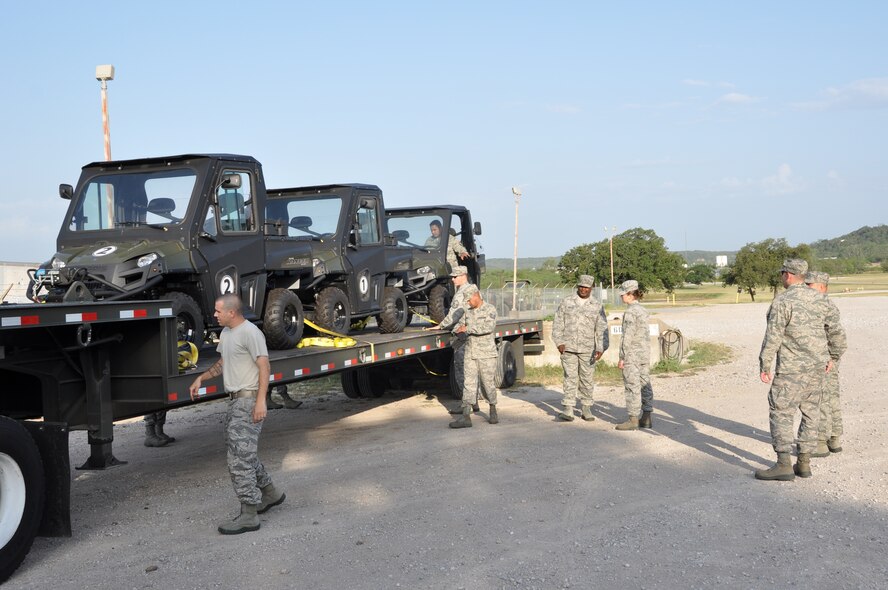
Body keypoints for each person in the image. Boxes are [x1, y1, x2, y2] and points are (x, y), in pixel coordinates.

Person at [189, 294, 285, 534]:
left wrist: (261, 401)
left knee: (239, 459)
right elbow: (224, 362)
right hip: (234, 402)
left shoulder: (250, 333)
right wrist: (202, 377)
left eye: (218, 311)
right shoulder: (226, 334)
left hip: (248, 400)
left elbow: (265, 366)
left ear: (232, 312)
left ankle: (249, 514)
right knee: (243, 452)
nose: (214, 314)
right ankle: (271, 494)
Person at [756, 259, 846, 481]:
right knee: (811, 414)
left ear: (787, 275)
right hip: (817, 370)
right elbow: (837, 334)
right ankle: (804, 464)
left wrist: (765, 364)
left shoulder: (783, 301)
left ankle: (784, 464)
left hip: (790, 371)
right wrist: (833, 357)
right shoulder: (822, 300)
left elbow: (773, 336)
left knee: (781, 413)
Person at [551, 275, 608, 422]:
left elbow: (601, 328)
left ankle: (586, 408)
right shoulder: (567, 302)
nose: (583, 289)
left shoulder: (597, 305)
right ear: (578, 286)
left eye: (586, 287)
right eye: (581, 286)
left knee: (587, 379)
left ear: (591, 288)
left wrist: (601, 347)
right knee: (570, 377)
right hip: (568, 347)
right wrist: (559, 342)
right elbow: (558, 322)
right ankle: (568, 409)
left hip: (588, 349)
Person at [424, 265, 480, 413]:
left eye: (455, 276)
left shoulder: (464, 292)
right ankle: (473, 403)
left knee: (461, 370)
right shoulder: (473, 289)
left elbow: (454, 313)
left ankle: (466, 406)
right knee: (470, 370)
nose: (453, 279)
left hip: (462, 334)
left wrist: (440, 326)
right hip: (471, 333)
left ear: (463, 276)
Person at [804, 270, 846, 456]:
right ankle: (834, 438)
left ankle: (820, 442)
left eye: (809, 285)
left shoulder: (822, 305)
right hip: (828, 359)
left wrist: (832, 357)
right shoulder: (824, 304)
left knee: (820, 400)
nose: (806, 288)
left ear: (821, 286)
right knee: (831, 398)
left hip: (823, 360)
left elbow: (838, 336)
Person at [449, 286, 500, 428]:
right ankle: (466, 416)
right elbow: (460, 325)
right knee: (468, 384)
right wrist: (457, 330)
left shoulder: (490, 309)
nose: (468, 302)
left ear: (476, 295)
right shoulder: (467, 312)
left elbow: (488, 327)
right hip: (470, 353)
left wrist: (468, 329)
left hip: (487, 354)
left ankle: (493, 410)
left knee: (487, 384)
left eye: (469, 300)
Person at [615, 280, 654, 431]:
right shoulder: (643, 310)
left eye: (623, 294)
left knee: (632, 386)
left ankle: (633, 419)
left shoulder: (631, 311)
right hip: (644, 353)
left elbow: (627, 336)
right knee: (645, 383)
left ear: (631, 294)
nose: (621, 297)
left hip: (632, 354)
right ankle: (647, 417)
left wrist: (622, 357)